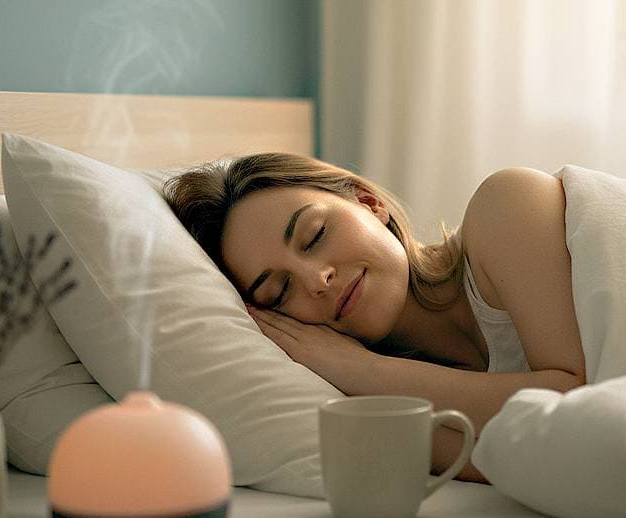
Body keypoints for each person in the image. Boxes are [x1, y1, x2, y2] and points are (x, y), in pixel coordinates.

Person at [164, 153, 586, 483]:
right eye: (279, 291)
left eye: (315, 235)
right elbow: (543, 464)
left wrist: (361, 368)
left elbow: (578, 409)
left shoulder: (506, 205)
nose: (317, 280)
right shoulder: (372, 401)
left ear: (369, 202)